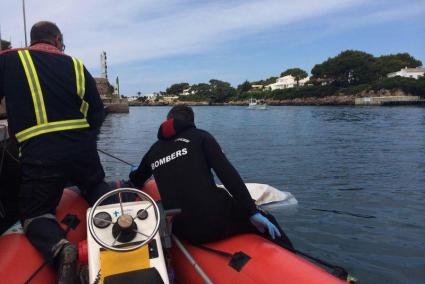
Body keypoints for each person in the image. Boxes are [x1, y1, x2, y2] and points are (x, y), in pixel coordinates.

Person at [0, 21, 110, 283]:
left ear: (32, 40)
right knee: (94, 186)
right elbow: (96, 111)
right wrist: (86, 138)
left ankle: (61, 249)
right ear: (58, 39)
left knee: (35, 213)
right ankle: (120, 217)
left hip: (40, 153)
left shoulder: (8, 60)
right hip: (82, 149)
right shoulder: (76, 65)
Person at [130, 105, 294, 248]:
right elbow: (227, 174)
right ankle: (292, 258)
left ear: (167, 120)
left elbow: (137, 178)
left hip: (182, 229)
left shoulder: (153, 150)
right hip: (215, 222)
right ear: (191, 121)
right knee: (268, 219)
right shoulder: (201, 137)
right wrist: (251, 212)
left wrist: (134, 170)